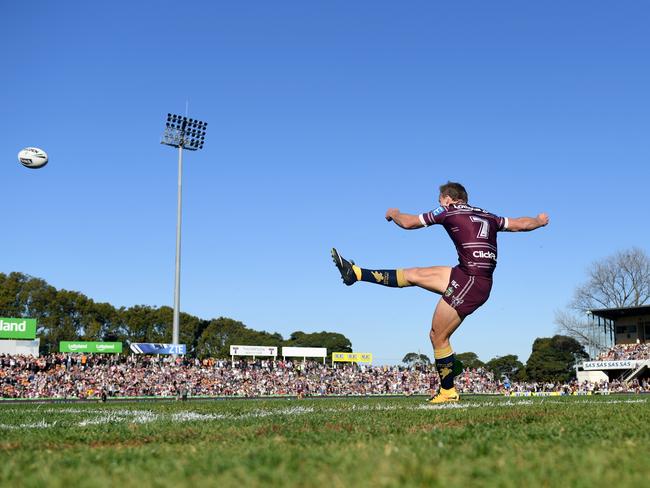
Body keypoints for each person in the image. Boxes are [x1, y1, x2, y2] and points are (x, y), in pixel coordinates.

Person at [331, 181, 549, 403]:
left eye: (439, 200)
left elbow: (408, 223)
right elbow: (522, 224)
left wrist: (394, 213)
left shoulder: (447, 210)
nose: (439, 203)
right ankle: (356, 274)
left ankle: (448, 391)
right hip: (469, 275)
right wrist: (540, 221)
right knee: (415, 274)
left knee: (437, 336)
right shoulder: (488, 215)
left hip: (471, 281)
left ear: (448, 198)